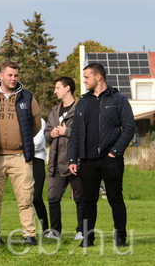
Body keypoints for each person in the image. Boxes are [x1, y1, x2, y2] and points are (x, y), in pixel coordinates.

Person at [68, 63, 135, 247]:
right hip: (87, 161)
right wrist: (73, 158)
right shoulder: (82, 101)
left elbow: (129, 127)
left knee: (115, 199)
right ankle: (88, 239)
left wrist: (115, 151)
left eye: (86, 77)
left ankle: (120, 238)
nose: (84, 80)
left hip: (111, 160)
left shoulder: (118, 99)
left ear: (98, 77)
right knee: (88, 201)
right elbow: (75, 133)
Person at [0, 61, 41, 245]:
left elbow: (36, 124)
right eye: (10, 75)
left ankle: (29, 235)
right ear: (1, 76)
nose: (13, 79)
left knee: (25, 198)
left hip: (20, 157)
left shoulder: (28, 97)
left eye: (16, 75)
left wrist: (21, 139)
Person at [44, 76, 84, 241]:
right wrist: (51, 134)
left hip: (75, 161)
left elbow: (85, 133)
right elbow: (47, 133)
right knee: (52, 197)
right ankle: (55, 232)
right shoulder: (54, 111)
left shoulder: (81, 108)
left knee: (80, 197)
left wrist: (66, 132)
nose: (55, 91)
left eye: (57, 87)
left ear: (67, 88)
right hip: (55, 162)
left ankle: (82, 231)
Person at [32, 117, 50, 236]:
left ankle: (45, 229)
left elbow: (38, 143)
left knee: (37, 197)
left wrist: (20, 145)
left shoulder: (40, 121)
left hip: (37, 161)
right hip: (21, 161)